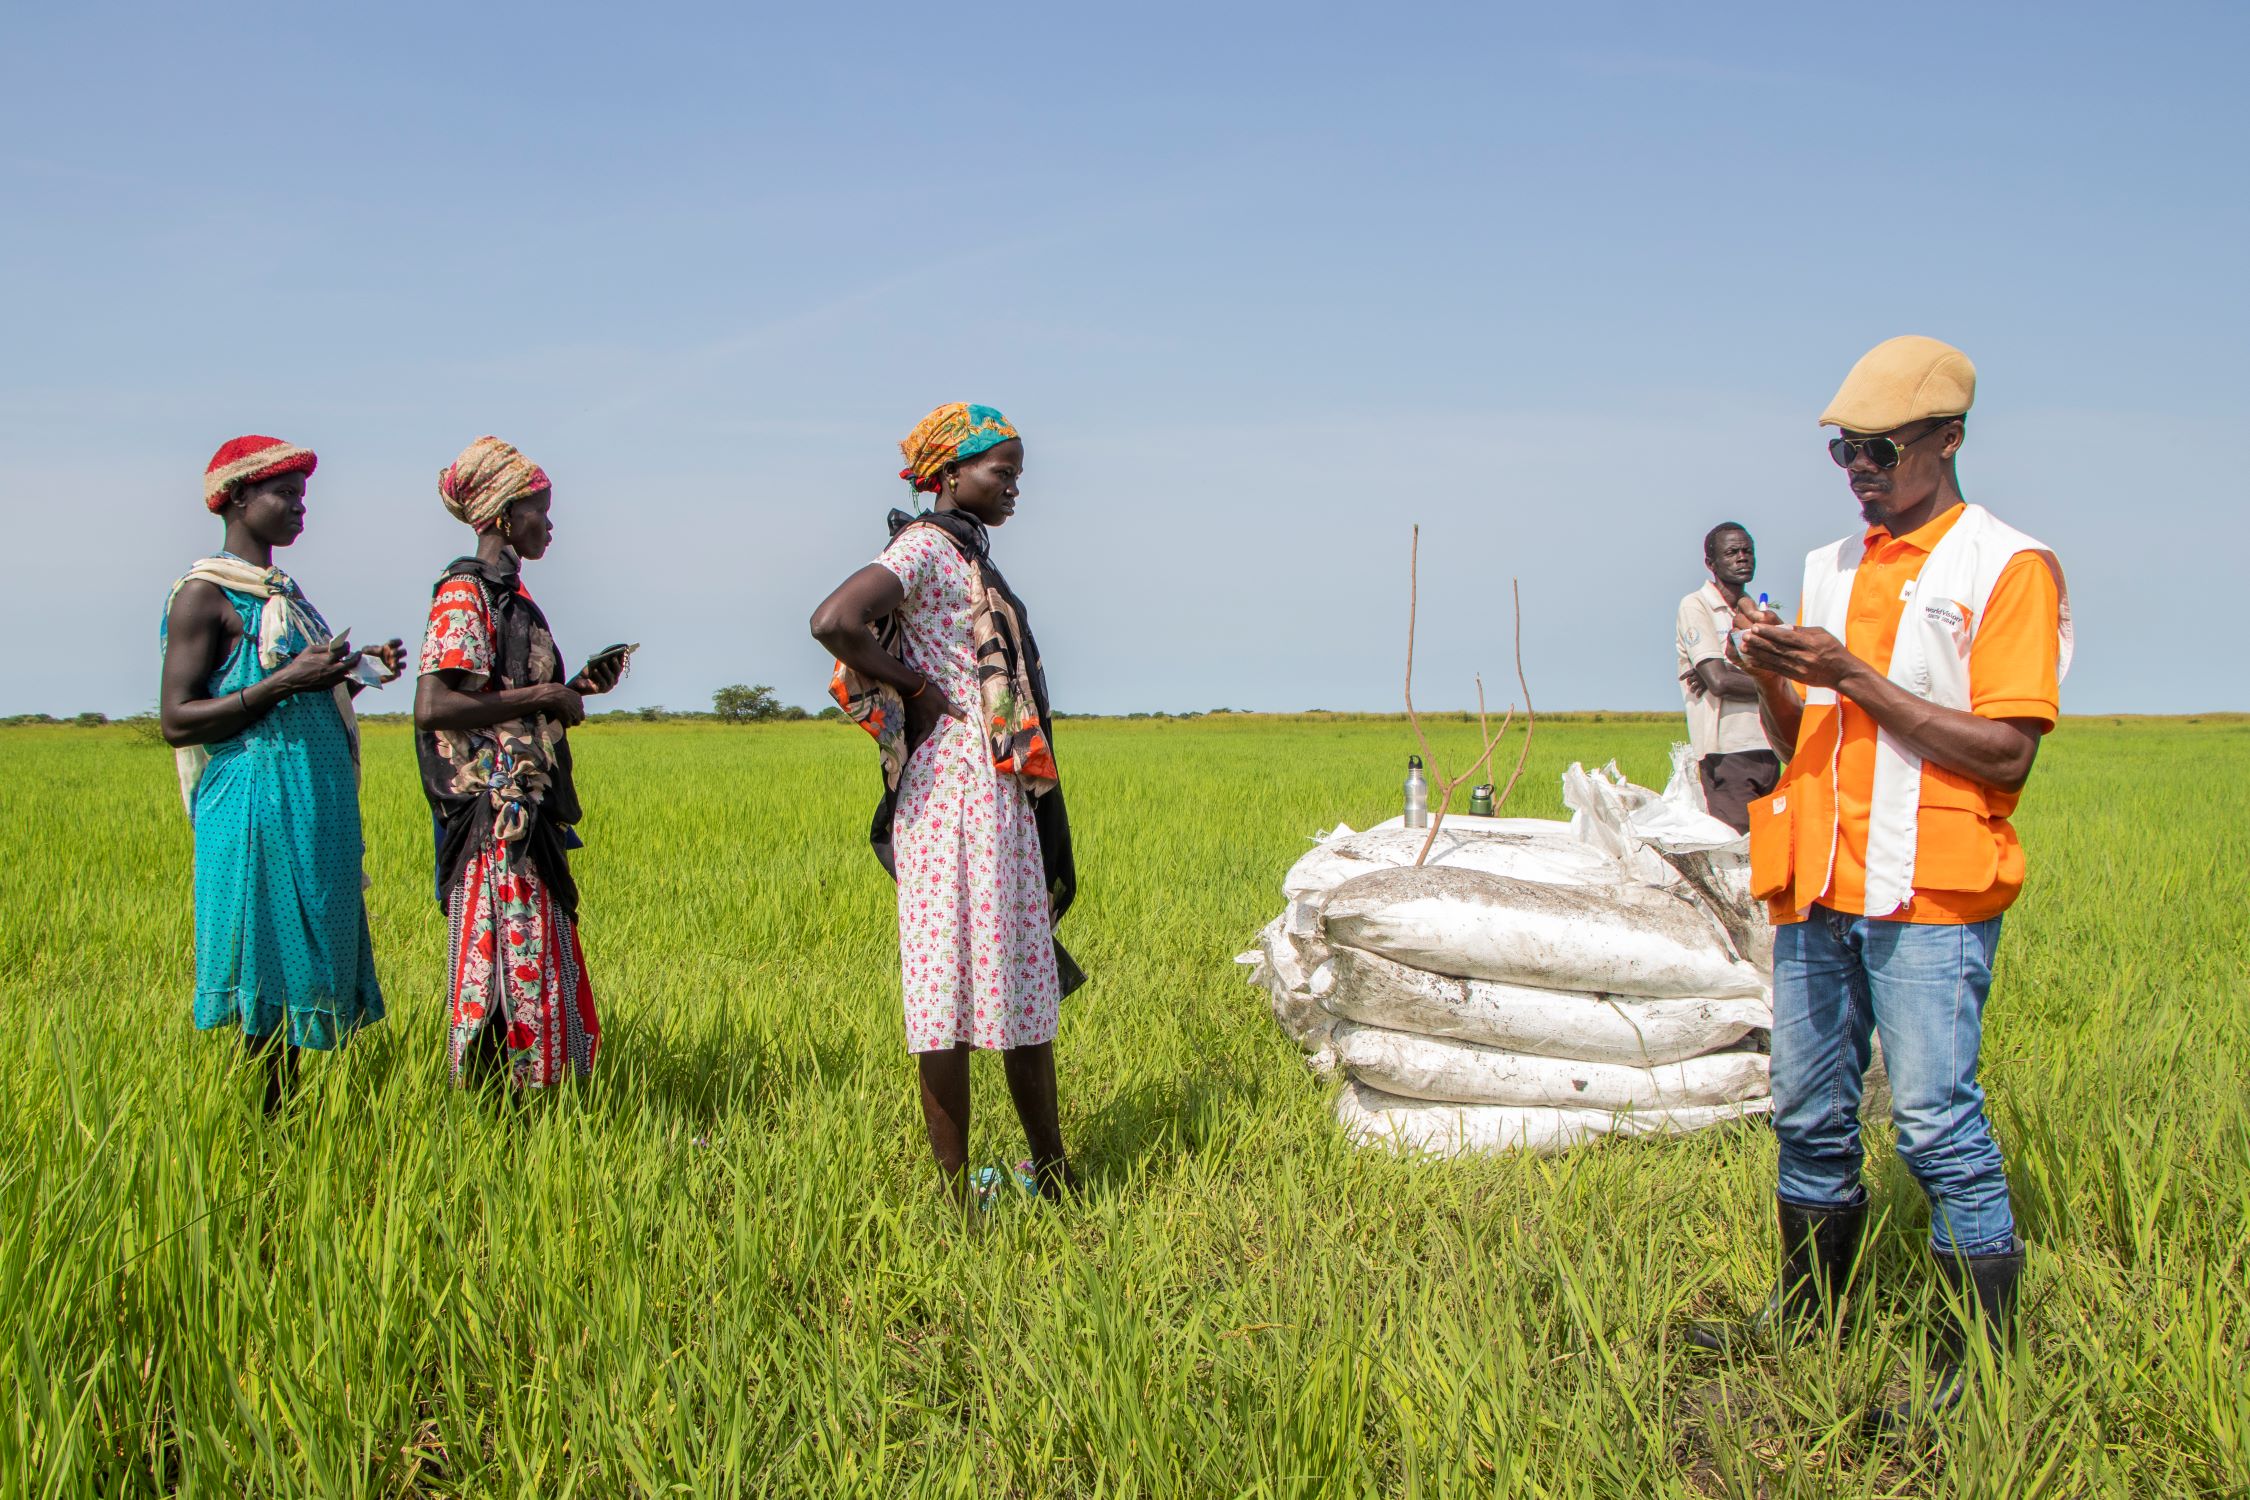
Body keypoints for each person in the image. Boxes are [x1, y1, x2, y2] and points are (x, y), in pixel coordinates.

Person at [1687, 337, 2070, 1431]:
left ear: (1948, 440)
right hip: (1818, 880)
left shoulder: (2007, 567)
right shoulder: (1829, 568)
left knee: (1937, 1125)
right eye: (1844, 450)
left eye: (1881, 448)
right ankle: (1808, 1320)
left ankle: (1975, 1368)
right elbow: (1808, 732)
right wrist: (1773, 674)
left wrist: (1855, 673)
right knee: (1806, 1115)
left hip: (1930, 891)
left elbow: (2006, 754)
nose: (1859, 467)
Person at [810, 402, 1082, 1206]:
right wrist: (923, 693)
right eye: (1003, 472)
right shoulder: (925, 547)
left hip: (996, 785)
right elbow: (835, 620)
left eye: (1017, 475)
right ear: (950, 474)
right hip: (954, 790)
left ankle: (1055, 1176)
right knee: (948, 998)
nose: (1014, 489)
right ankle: (959, 1203)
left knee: (1021, 982)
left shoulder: (969, 557)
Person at [159, 435, 403, 1113]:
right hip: (255, 802)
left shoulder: (284, 597)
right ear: (237, 497)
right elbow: (178, 718)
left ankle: (282, 1113)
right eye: (285, 494)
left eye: (303, 496)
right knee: (263, 961)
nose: (301, 509)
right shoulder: (205, 597)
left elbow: (295, 700)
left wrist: (352, 676)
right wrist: (291, 678)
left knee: (303, 944)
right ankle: (268, 1118)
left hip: (306, 802)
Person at [412, 437, 623, 1090]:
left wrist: (577, 689)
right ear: (503, 515)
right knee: (499, 971)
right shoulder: (463, 594)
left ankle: (533, 1105)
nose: (550, 525)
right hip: (490, 818)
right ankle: (497, 1113)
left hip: (527, 810)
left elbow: (500, 704)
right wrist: (547, 694)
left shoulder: (513, 600)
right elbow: (434, 703)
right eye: (540, 510)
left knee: (531, 960)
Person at [1675, 522, 1779, 832]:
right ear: (1711, 563)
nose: (1742, 558)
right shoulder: (1696, 605)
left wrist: (1730, 674)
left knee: (1767, 850)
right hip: (1726, 753)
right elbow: (1720, 682)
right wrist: (1768, 681)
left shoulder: (1758, 612)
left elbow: (1788, 673)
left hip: (1769, 746)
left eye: (1748, 551)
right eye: (1732, 552)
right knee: (1736, 848)